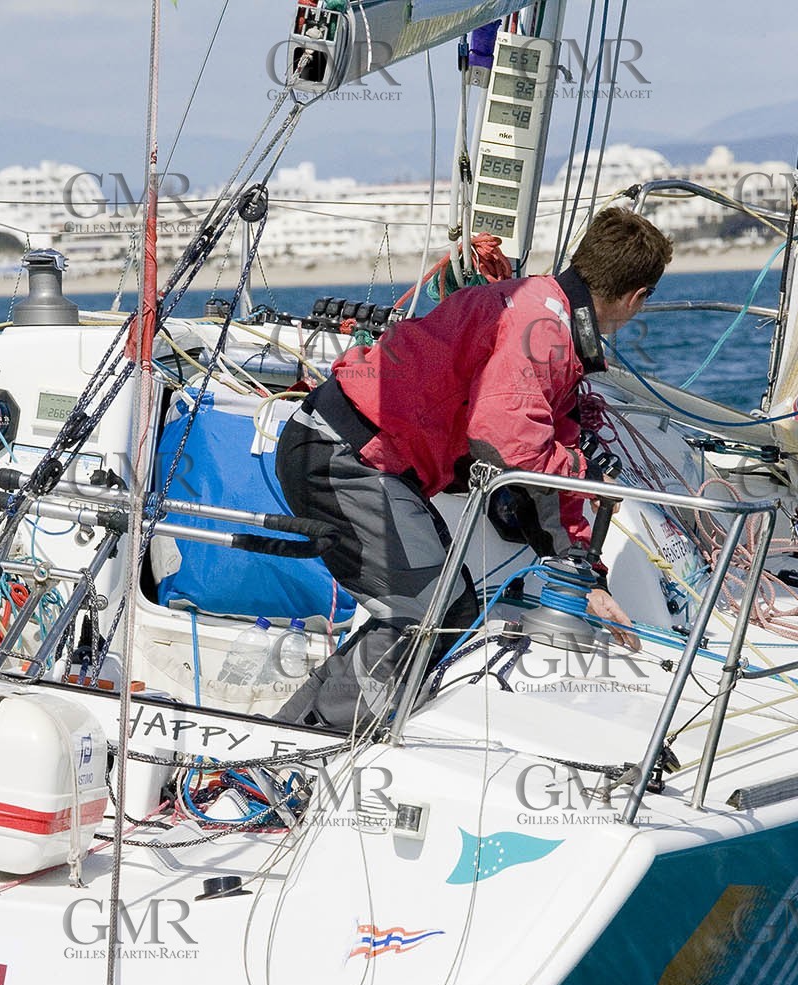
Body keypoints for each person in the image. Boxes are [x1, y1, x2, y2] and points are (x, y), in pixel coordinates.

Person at [274, 207, 673, 728]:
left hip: (359, 454)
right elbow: (508, 445)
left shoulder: (537, 307)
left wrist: (582, 570)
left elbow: (541, 450)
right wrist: (580, 471)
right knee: (429, 613)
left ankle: (290, 732)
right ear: (636, 297)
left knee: (442, 608)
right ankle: (319, 743)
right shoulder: (543, 330)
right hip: (344, 455)